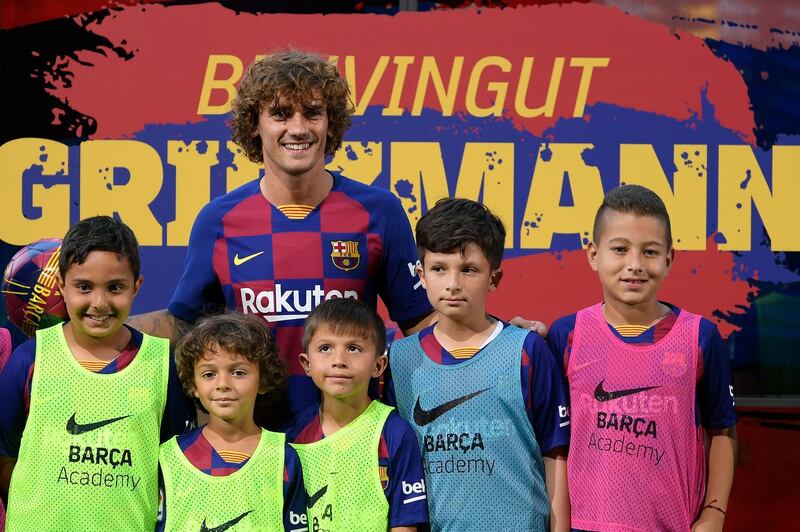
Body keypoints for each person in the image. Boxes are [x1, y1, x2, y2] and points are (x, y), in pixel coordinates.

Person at [129, 49, 434, 421]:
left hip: (347, 438)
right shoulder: (219, 221)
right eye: (280, 113)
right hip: (256, 446)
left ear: (331, 123)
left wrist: (499, 338)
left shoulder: (379, 212)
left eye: (313, 113)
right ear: (254, 125)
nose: (299, 128)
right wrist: (89, 330)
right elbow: (181, 324)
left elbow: (421, 323)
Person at [547, 184, 737, 532]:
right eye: (619, 249)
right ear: (593, 254)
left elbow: (722, 431)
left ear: (669, 259)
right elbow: (552, 443)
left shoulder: (700, 337)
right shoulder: (566, 334)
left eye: (649, 252)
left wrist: (713, 513)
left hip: (672, 525)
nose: (634, 265)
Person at [0, 216, 195, 530]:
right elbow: (4, 457)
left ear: (137, 287)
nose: (99, 302)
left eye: (115, 287)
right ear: (62, 286)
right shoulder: (29, 360)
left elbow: (176, 467)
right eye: (84, 287)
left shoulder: (161, 366)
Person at [388, 198, 570, 532]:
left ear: (494, 278)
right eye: (439, 268)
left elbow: (555, 456)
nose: (453, 283)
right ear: (421, 275)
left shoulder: (528, 352)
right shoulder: (399, 361)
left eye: (468, 269)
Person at [288, 298, 429, 531]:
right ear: (306, 364)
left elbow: (405, 523)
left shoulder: (394, 433)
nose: (339, 361)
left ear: (379, 365)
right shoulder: (292, 437)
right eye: (325, 348)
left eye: (354, 348)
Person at [157, 313, 306, 530]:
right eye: (209, 374)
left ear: (263, 380)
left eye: (238, 372)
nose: (223, 384)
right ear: (193, 385)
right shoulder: (169, 457)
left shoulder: (284, 458)